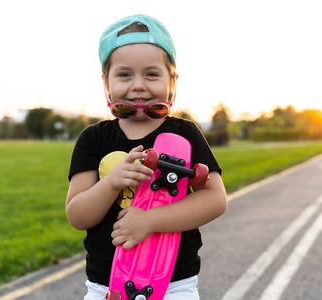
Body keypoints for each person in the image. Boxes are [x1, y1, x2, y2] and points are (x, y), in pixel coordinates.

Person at [65, 14, 227, 300]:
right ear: (107, 80)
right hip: (106, 286)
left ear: (171, 80)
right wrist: (112, 182)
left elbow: (215, 199)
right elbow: (77, 215)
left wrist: (150, 221)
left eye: (151, 74)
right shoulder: (94, 138)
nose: (138, 85)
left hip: (174, 285)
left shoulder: (185, 134)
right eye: (124, 74)